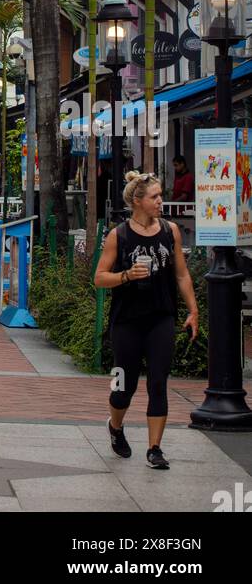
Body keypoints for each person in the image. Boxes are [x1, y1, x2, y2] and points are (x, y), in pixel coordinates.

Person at [94, 170, 199, 470]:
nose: (160, 201)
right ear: (137, 201)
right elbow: (99, 278)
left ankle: (155, 449)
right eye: (155, 197)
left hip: (160, 318)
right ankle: (115, 427)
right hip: (126, 321)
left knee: (158, 382)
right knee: (123, 386)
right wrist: (126, 275)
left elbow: (181, 273)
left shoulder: (170, 231)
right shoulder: (119, 236)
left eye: (161, 195)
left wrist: (193, 310)